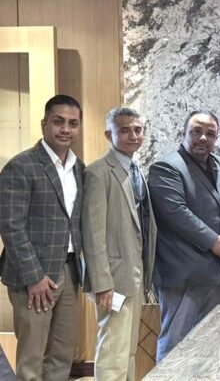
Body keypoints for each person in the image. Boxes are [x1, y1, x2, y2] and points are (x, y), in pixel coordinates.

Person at [148, 110, 220, 362]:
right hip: (184, 274)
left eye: (210, 133)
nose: (203, 138)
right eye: (196, 131)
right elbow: (175, 213)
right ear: (183, 133)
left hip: (218, 272)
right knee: (175, 344)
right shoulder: (166, 167)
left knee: (211, 343)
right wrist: (214, 241)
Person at [0, 95, 85, 380]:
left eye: (73, 123)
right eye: (58, 122)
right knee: (32, 359)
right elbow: (11, 227)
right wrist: (34, 277)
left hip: (70, 272)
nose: (66, 129)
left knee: (62, 356)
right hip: (33, 278)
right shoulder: (21, 166)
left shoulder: (79, 168)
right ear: (44, 124)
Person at [81, 107, 156, 380]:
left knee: (128, 352)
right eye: (124, 130)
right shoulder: (98, 172)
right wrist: (102, 283)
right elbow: (92, 234)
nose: (133, 136)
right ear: (108, 135)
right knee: (113, 351)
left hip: (134, 274)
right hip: (112, 279)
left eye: (138, 130)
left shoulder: (135, 169)